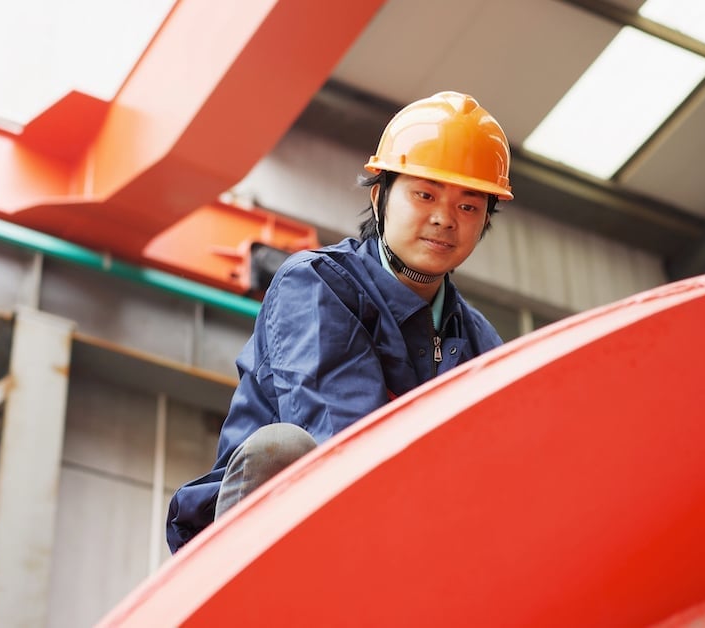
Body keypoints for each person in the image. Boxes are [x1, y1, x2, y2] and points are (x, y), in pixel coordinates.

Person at [166, 91, 513, 553]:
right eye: (425, 194)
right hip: (288, 529)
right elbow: (345, 444)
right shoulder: (317, 286)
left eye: (468, 206)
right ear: (380, 197)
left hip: (411, 539)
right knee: (282, 448)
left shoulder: (479, 341)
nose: (443, 219)